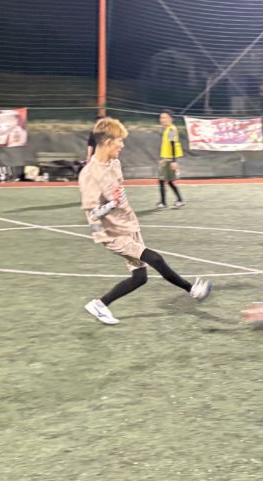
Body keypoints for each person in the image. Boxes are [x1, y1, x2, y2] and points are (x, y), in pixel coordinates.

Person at [79, 117, 212, 325]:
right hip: (111, 233)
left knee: (140, 277)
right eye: (119, 141)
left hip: (128, 225)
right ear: (107, 142)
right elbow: (93, 214)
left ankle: (100, 304)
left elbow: (118, 193)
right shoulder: (89, 174)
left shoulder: (115, 163)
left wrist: (119, 205)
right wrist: (111, 206)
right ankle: (193, 290)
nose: (122, 145)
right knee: (155, 259)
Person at [156, 110, 186, 209]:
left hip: (169, 160)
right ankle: (169, 201)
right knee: (166, 181)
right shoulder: (167, 129)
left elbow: (173, 145)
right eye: (161, 117)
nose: (162, 120)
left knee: (164, 180)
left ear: (170, 119)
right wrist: (163, 158)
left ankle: (168, 202)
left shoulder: (171, 129)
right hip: (166, 159)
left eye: (164, 117)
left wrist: (174, 161)